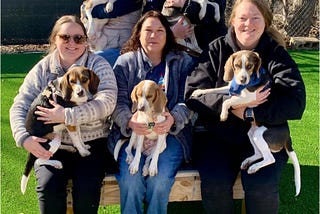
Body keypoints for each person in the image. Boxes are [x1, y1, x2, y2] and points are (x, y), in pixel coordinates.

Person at [184, 0, 306, 213]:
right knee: (215, 186)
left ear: (265, 23)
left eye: (255, 18)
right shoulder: (216, 49)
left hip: (264, 135)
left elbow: (295, 103)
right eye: (242, 18)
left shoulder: (275, 55)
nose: (248, 24)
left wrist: (252, 112)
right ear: (232, 21)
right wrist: (232, 107)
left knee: (261, 187)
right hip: (218, 136)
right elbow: (192, 94)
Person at [9, 15, 118, 214]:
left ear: (86, 41)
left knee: (86, 191)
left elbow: (108, 102)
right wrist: (24, 138)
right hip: (51, 146)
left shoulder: (98, 65)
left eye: (78, 38)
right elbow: (19, 105)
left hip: (92, 143)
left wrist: (66, 116)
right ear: (55, 40)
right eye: (65, 37)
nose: (72, 43)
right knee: (49, 188)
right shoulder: (43, 69)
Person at [108, 10, 194, 214]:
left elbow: (189, 101)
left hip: (171, 135)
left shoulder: (182, 61)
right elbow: (117, 102)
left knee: (160, 179)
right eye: (148, 30)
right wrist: (130, 122)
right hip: (132, 135)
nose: (153, 35)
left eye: (159, 30)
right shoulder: (125, 62)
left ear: (168, 34)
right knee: (130, 181)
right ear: (138, 33)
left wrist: (173, 118)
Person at [86, 0, 143, 66]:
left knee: (91, 61)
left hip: (121, 48)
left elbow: (112, 10)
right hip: (101, 43)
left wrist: (88, 10)